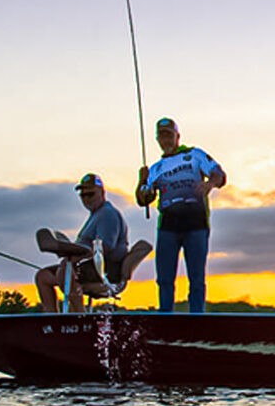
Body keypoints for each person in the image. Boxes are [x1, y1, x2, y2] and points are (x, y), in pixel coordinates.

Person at [136, 118, 226, 313]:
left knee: (196, 278)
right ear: (157, 139)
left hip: (196, 223)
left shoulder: (194, 155)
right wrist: (141, 182)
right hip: (168, 226)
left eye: (169, 135)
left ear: (178, 136)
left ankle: (196, 317)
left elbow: (219, 174)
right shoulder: (156, 168)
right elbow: (144, 199)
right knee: (164, 279)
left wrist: (209, 184)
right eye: (162, 136)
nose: (166, 140)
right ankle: (166, 318)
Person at [35, 173, 129, 312]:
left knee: (65, 269)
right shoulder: (95, 215)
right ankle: (51, 320)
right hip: (85, 266)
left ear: (102, 193)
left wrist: (75, 258)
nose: (86, 199)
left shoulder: (108, 214)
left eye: (90, 194)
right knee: (43, 276)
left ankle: (80, 315)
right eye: (83, 195)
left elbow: (105, 247)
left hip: (106, 269)